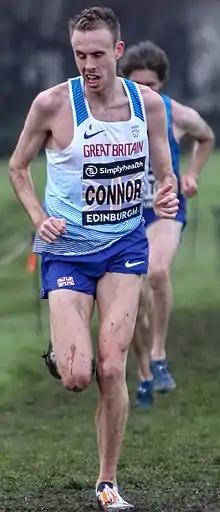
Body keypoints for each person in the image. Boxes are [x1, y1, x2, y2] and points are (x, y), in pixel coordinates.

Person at [9, 10, 179, 510]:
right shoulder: (53, 104)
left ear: (118, 52)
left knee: (111, 367)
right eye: (80, 54)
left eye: (98, 55)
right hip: (67, 251)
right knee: (78, 375)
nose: (88, 64)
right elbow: (18, 168)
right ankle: (64, 352)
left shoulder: (145, 104)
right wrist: (39, 217)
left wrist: (165, 195)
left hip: (124, 245)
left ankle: (107, 483)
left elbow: (163, 173)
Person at [119, 41, 215, 408]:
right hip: (125, 215)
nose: (145, 93)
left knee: (157, 272)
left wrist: (191, 173)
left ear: (163, 85)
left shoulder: (175, 114)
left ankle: (158, 354)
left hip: (165, 210)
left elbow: (206, 136)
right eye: (137, 86)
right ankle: (143, 370)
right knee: (135, 296)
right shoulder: (111, 115)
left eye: (152, 87)